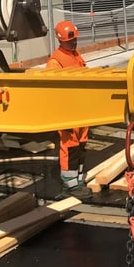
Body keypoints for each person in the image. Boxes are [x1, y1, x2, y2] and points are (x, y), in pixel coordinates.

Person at [46, 20, 93, 201]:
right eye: (70, 41)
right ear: (61, 40)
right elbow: (54, 90)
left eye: (74, 40)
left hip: (81, 108)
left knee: (81, 144)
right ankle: (70, 184)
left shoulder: (75, 54)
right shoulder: (55, 61)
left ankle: (78, 180)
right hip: (67, 110)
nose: (74, 43)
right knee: (70, 146)